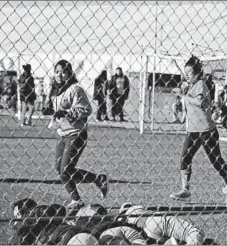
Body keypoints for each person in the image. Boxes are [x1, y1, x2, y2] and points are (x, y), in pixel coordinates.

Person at [170, 56, 227, 206]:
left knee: (216, 161)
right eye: (185, 71)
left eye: (189, 71)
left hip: (206, 131)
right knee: (185, 159)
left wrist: (183, 95)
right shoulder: (190, 87)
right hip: (192, 132)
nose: (186, 74)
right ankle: (185, 190)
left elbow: (198, 102)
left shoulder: (201, 84)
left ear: (197, 73)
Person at [47, 59, 109, 210]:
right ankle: (94, 183)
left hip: (76, 134)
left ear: (69, 73)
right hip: (63, 134)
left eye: (63, 71)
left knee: (65, 169)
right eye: (56, 71)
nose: (59, 74)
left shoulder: (75, 89)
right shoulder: (56, 91)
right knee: (60, 170)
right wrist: (53, 116)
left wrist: (66, 112)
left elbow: (86, 109)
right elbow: (58, 111)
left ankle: (78, 198)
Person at [119, 203, 205, 245]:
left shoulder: (120, 222)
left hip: (138, 234)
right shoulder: (136, 208)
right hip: (154, 220)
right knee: (192, 231)